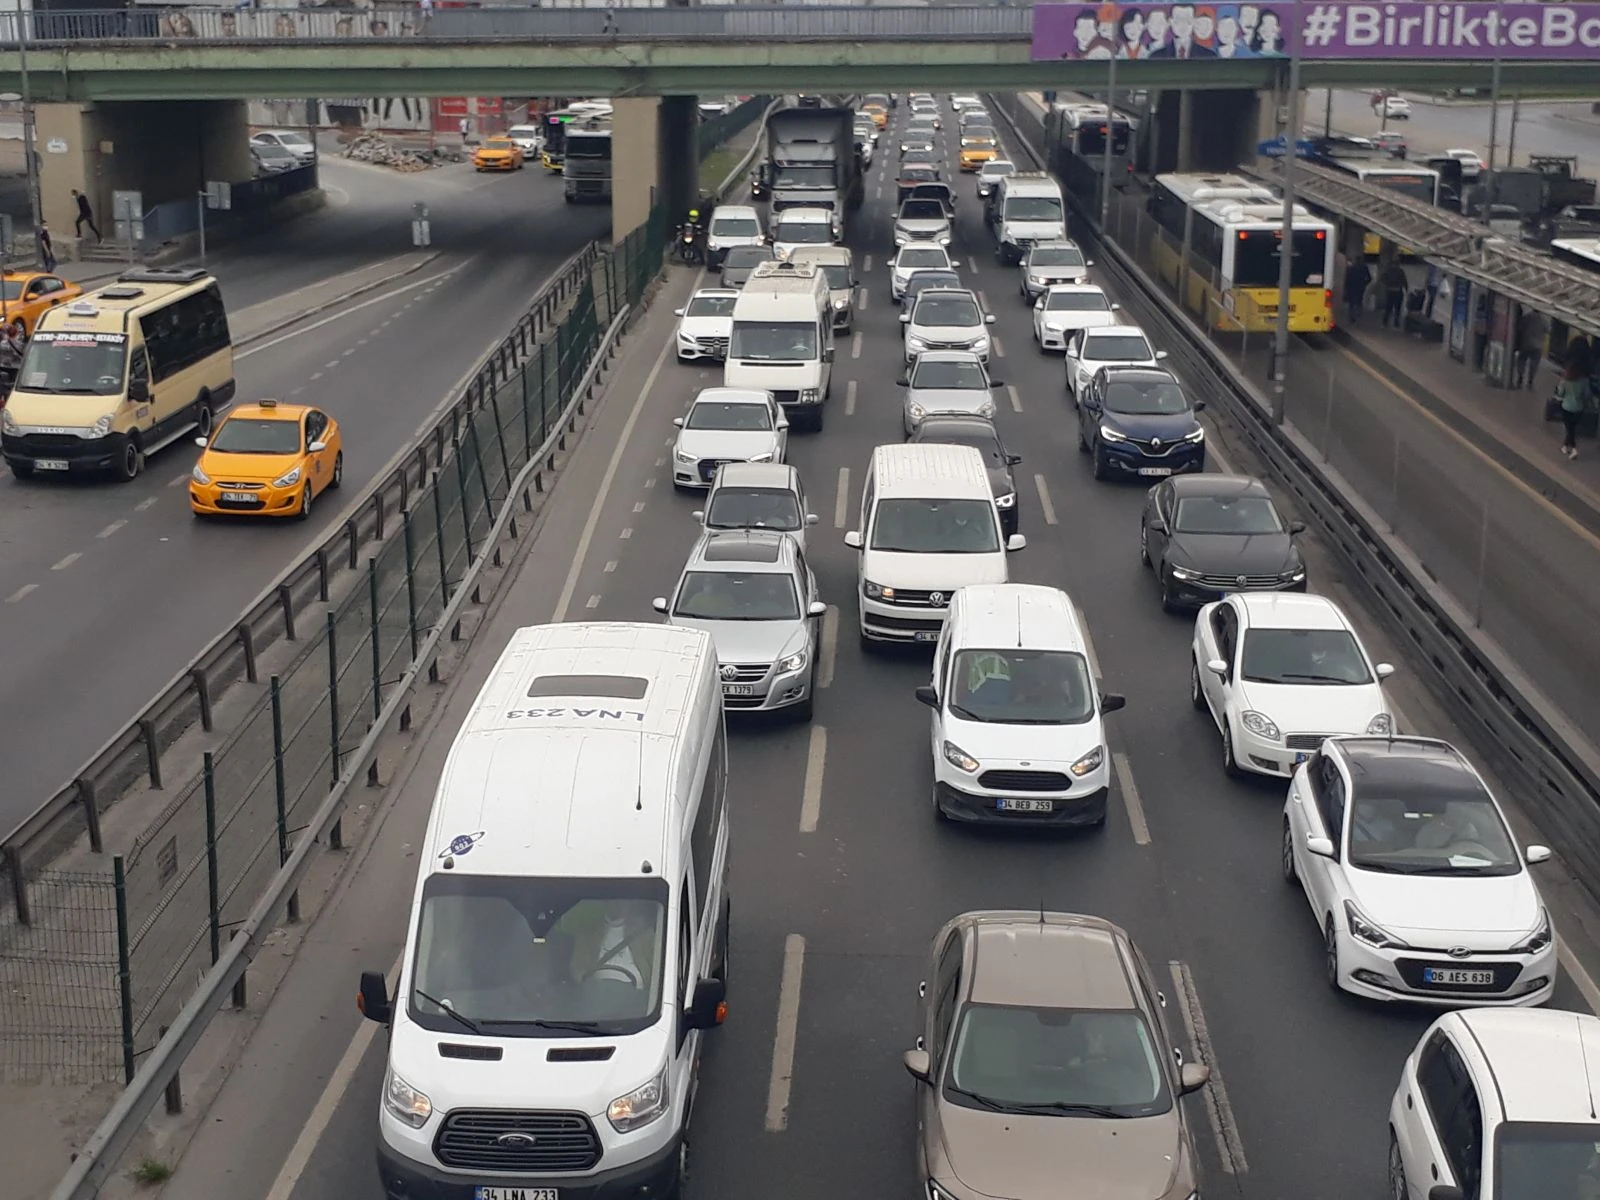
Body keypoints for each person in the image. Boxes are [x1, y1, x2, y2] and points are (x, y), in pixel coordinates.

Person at [1557, 343, 1594, 460]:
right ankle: (1564, 446)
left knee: (1570, 429)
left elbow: (1560, 393)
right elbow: (1587, 395)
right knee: (1571, 428)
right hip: (1579, 408)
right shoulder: (1584, 381)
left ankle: (1573, 449)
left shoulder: (1565, 381)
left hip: (1566, 407)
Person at [1513, 307, 1549, 391]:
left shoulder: (1527, 317)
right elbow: (1548, 330)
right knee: (1534, 364)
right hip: (1537, 346)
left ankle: (1520, 377)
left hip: (1526, 343)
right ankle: (1530, 380)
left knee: (1522, 360)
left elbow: (1520, 327)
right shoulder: (1543, 320)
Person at [1378, 261, 1408, 329]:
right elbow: (1405, 281)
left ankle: (1384, 323)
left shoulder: (1389, 271)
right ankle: (1396, 323)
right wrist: (1406, 290)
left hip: (1390, 291)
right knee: (1397, 309)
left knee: (1388, 308)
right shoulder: (1400, 271)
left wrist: (1387, 284)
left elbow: (1382, 278)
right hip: (1398, 291)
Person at [1343, 258, 1371, 325]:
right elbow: (1369, 278)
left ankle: (1351, 316)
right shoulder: (1364, 268)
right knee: (1359, 300)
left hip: (1352, 287)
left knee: (1351, 302)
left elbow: (1347, 278)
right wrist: (1365, 283)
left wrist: (1346, 287)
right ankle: (1358, 313)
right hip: (1360, 287)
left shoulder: (1351, 268)